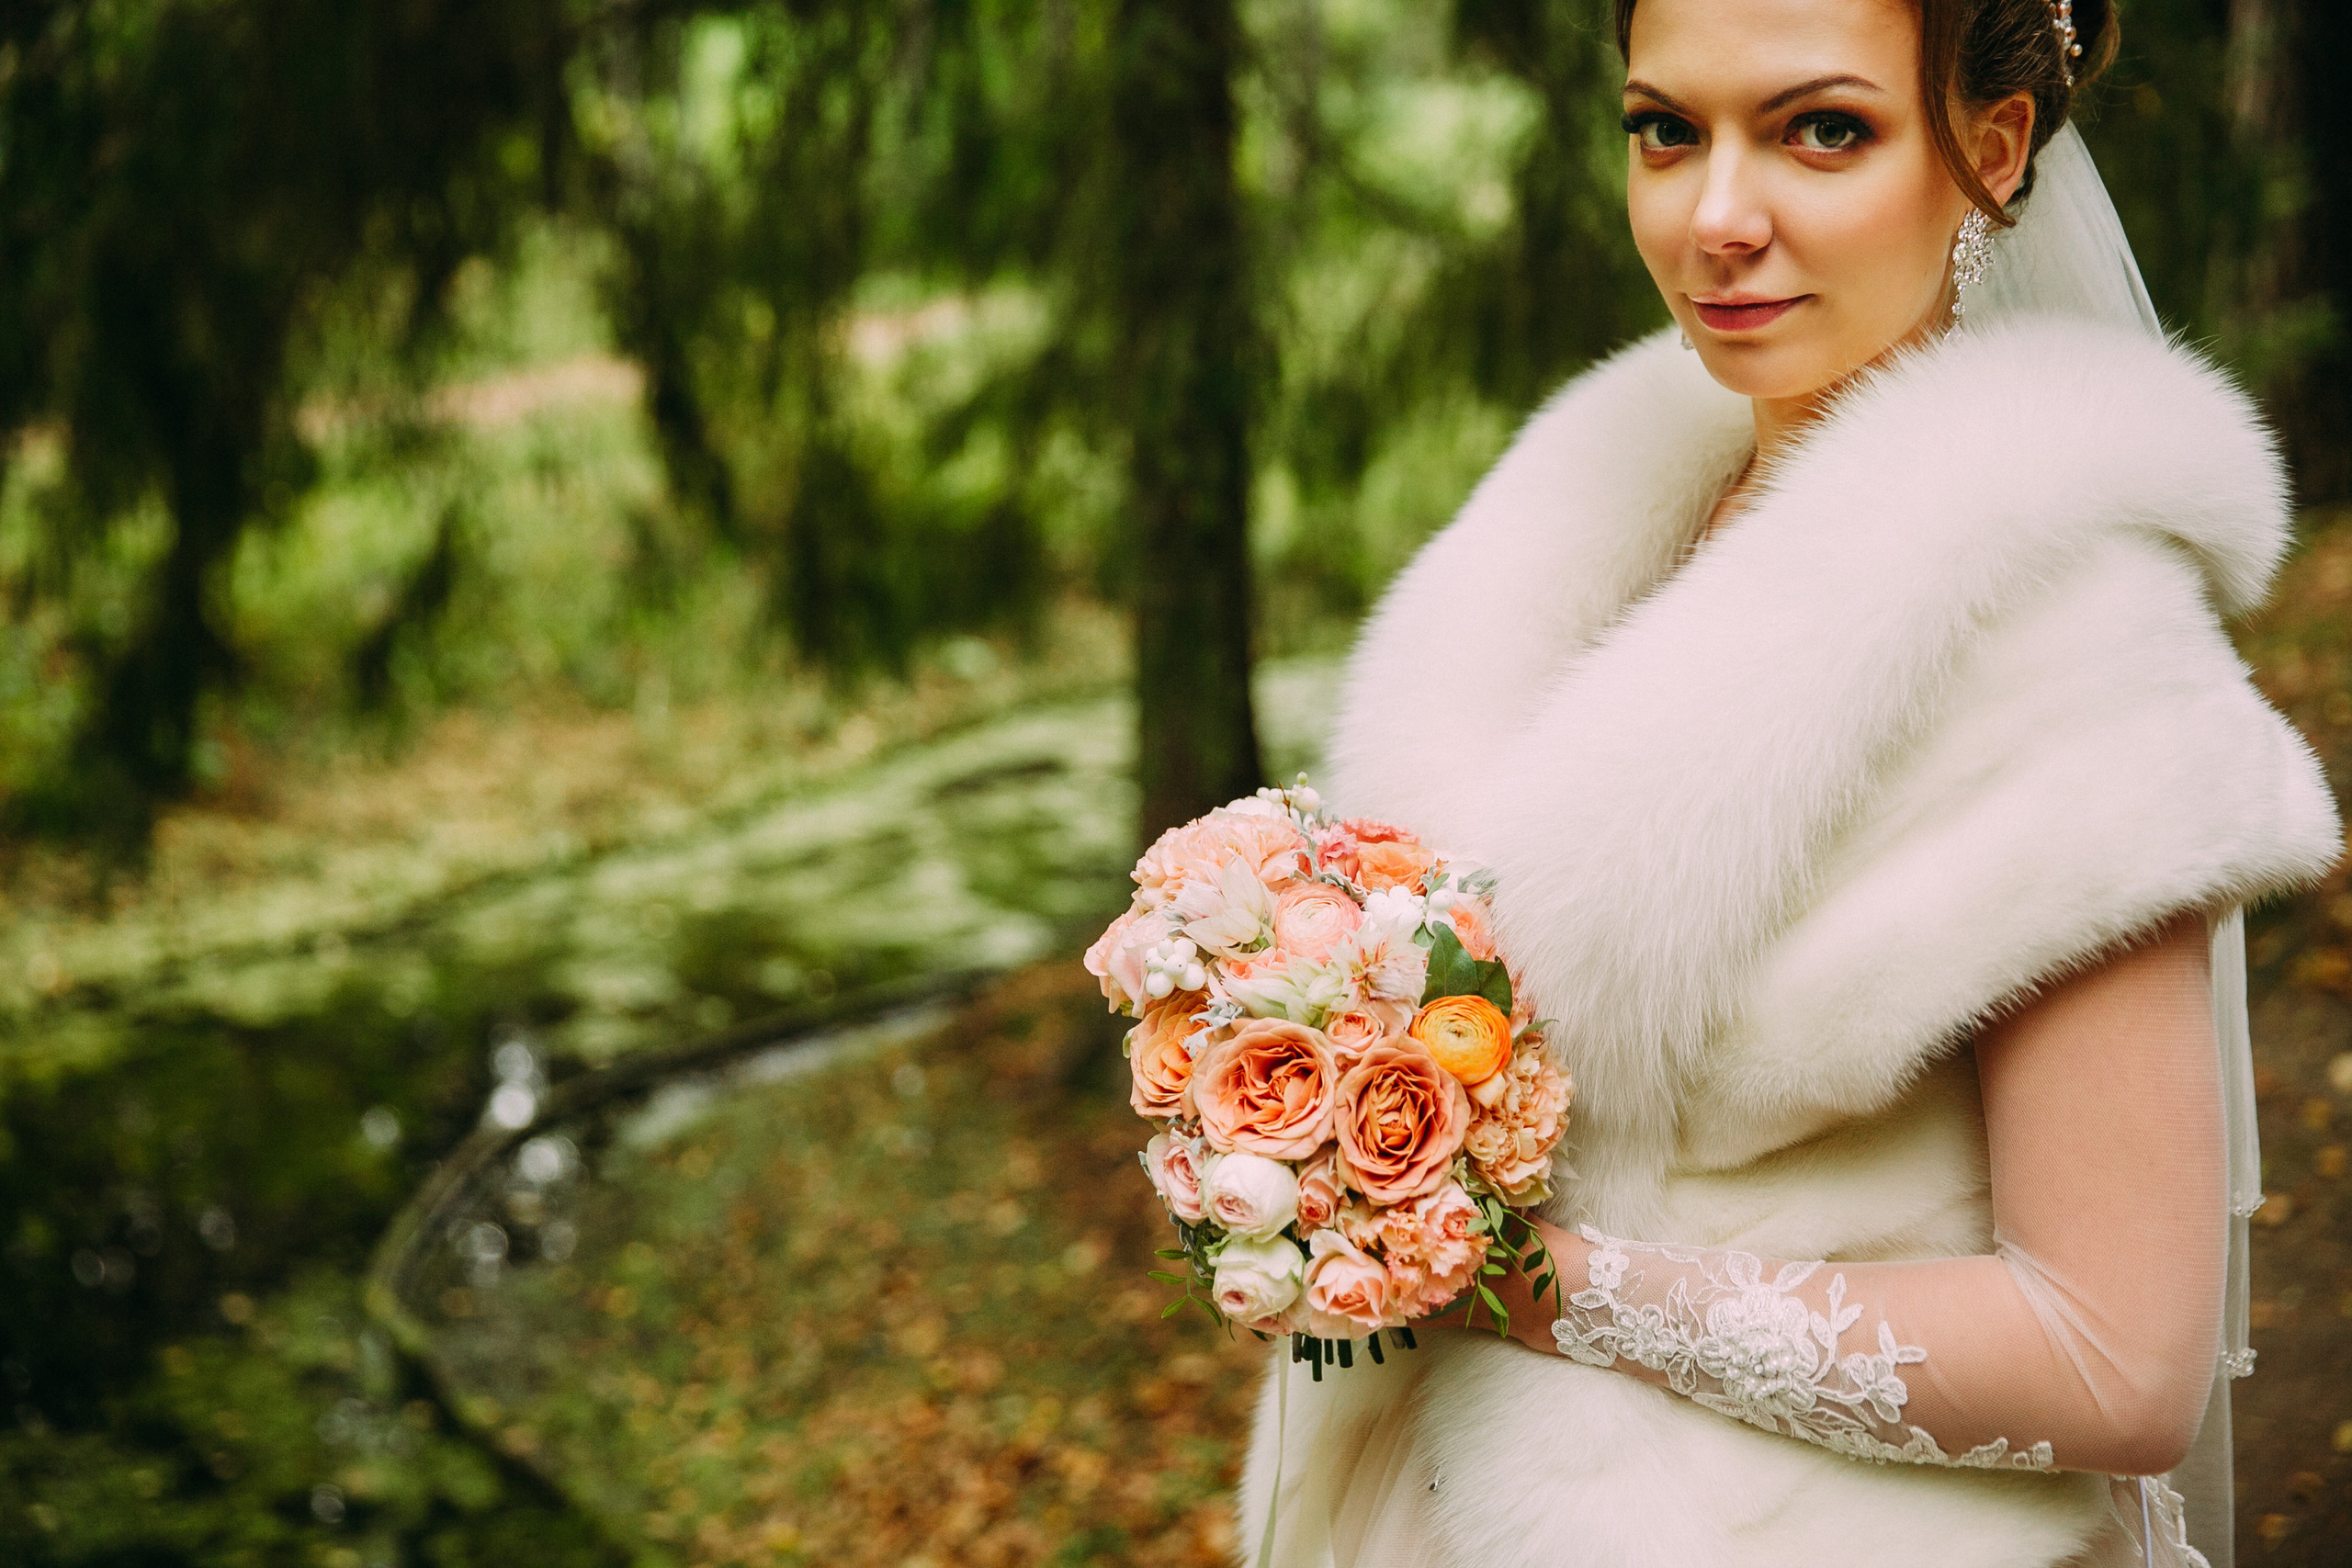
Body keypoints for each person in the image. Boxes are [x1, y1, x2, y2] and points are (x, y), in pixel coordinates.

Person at [1235, 1, 2342, 1565]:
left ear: (1994, 150)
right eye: (1664, 130)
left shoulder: (2074, 646)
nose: (1716, 218)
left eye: (1823, 129)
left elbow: (2120, 1361)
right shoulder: (1591, 545)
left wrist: (1539, 1288)